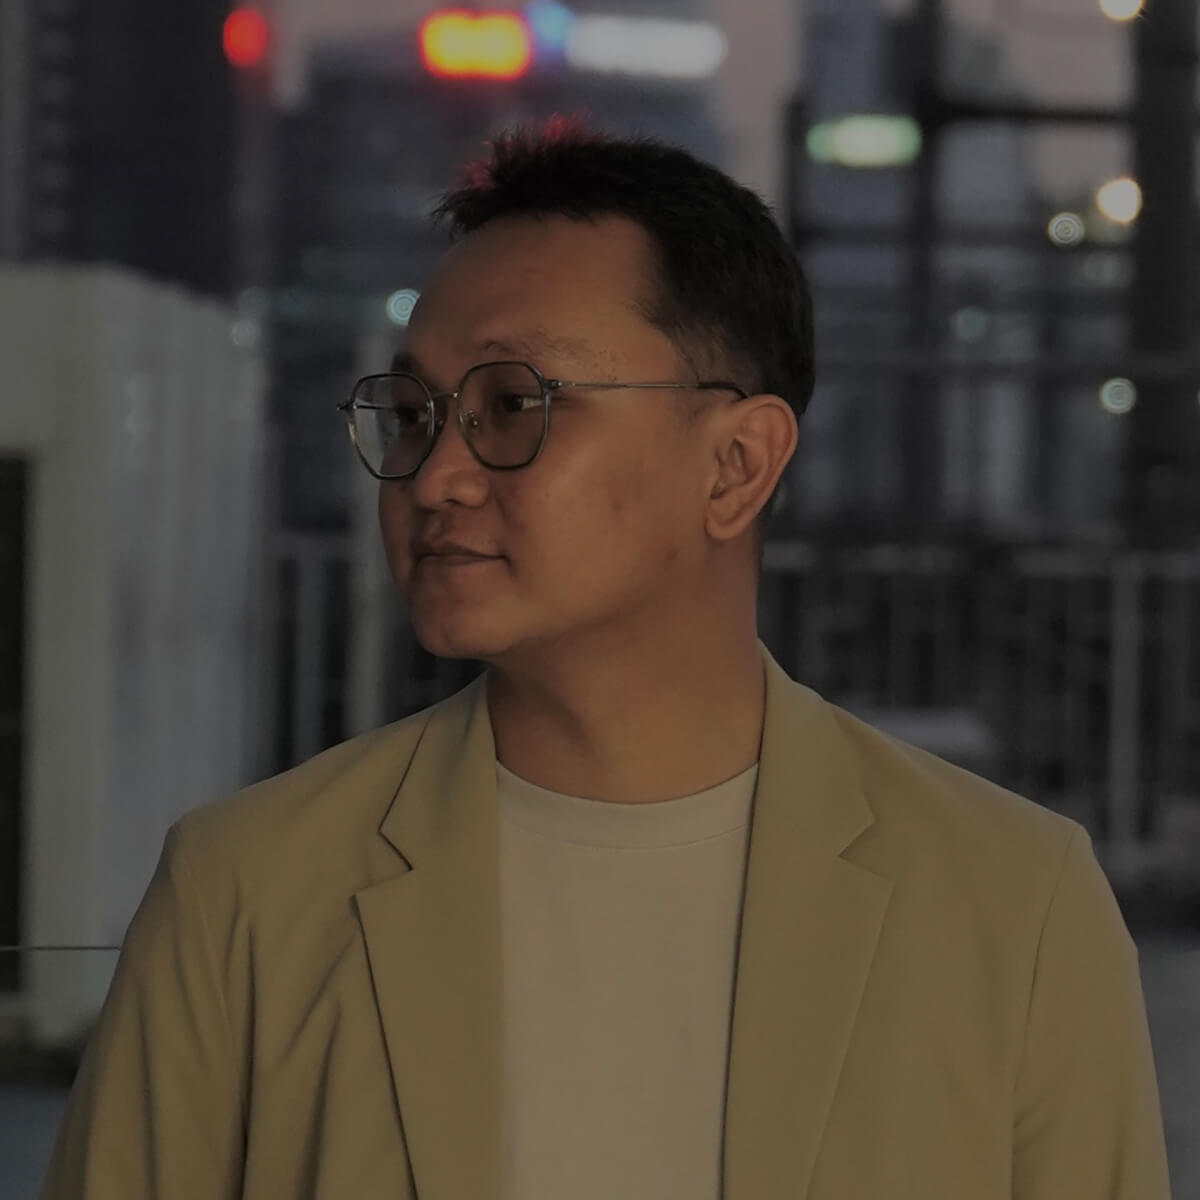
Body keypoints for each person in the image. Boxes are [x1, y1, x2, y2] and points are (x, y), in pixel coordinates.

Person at [41, 118, 1171, 1200]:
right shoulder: (247, 894)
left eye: (513, 405)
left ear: (736, 466)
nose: (435, 477)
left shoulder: (1013, 908)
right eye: (413, 414)